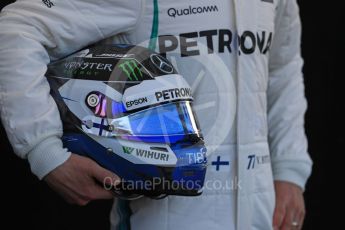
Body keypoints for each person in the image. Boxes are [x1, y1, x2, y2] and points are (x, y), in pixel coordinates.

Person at [0, 0, 312, 230]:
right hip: (160, 216)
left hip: (261, 210)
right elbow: (20, 27)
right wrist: (45, 151)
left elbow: (281, 67)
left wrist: (289, 171)